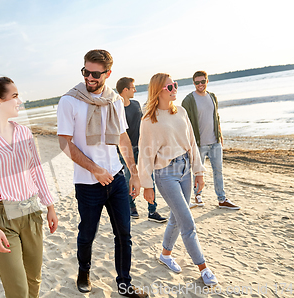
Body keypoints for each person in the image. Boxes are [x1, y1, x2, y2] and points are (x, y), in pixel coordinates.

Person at [57, 50, 148, 298]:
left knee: (124, 234)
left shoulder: (115, 100)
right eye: (85, 71)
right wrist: (95, 170)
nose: (89, 77)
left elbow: (122, 137)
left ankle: (124, 283)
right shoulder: (69, 101)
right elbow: (64, 142)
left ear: (108, 73)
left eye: (95, 73)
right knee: (87, 233)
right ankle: (84, 271)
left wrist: (134, 172)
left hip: (117, 178)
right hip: (88, 183)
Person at [0, 77, 58, 298]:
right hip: (1, 219)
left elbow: (36, 171)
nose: (20, 101)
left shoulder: (24, 133)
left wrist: (50, 206)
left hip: (31, 211)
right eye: (15, 96)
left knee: (33, 280)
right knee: (17, 289)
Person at [138, 73, 218, 286]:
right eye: (170, 86)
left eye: (175, 85)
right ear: (159, 91)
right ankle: (203, 268)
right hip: (165, 174)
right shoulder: (149, 120)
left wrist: (199, 171)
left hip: (185, 170)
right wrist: (147, 185)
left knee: (176, 217)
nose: (175, 89)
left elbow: (191, 142)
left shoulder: (181, 111)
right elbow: (145, 155)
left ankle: (165, 255)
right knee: (187, 222)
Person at [181, 71, 240, 210]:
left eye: (202, 81)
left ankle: (222, 199)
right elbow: (183, 123)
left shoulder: (212, 96)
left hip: (215, 142)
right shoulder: (188, 100)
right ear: (193, 83)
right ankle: (197, 195)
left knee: (218, 171)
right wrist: (188, 143)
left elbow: (216, 116)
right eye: (197, 82)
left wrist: (220, 135)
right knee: (197, 171)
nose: (200, 84)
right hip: (199, 144)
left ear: (207, 81)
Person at [116, 77, 167, 223]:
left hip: (142, 148)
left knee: (149, 178)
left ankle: (152, 210)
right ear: (125, 90)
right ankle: (131, 208)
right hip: (125, 151)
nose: (135, 90)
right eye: (133, 88)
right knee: (129, 179)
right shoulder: (116, 108)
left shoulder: (136, 104)